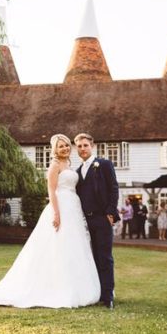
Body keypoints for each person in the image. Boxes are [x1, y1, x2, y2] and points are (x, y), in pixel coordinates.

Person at [0, 134, 101, 308]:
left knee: (74, 245)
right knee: (57, 245)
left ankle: (78, 286)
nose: (65, 148)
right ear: (55, 150)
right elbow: (51, 192)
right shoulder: (54, 166)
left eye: (67, 145)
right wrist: (57, 214)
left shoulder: (69, 165)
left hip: (73, 207)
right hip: (60, 207)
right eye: (61, 146)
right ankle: (58, 288)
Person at [74, 132, 120, 309]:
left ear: (92, 146)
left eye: (85, 145)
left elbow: (114, 188)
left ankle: (108, 296)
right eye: (79, 146)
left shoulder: (104, 164)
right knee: (91, 258)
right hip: (85, 222)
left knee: (105, 257)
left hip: (102, 218)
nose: (83, 148)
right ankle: (97, 292)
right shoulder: (78, 172)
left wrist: (110, 212)